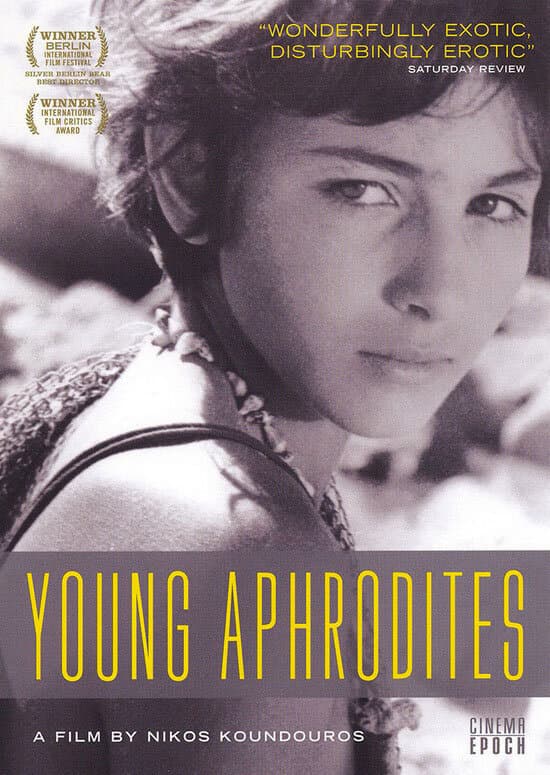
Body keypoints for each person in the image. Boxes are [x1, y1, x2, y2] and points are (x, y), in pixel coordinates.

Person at [1, 0, 549, 772]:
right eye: (363, 189)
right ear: (188, 171)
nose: (440, 290)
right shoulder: (242, 557)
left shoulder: (150, 405)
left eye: (492, 204)